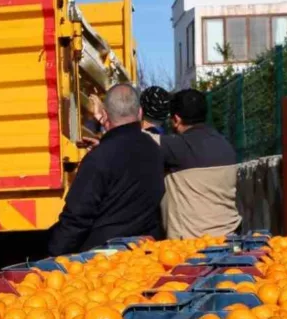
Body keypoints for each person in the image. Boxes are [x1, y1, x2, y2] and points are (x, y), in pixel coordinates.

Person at [46, 84, 165, 256]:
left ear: (105, 115)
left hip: (103, 261)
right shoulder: (155, 150)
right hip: (145, 254)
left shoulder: (98, 158)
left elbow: (78, 218)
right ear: (139, 113)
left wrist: (54, 252)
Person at [159, 88, 241, 240]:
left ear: (176, 119)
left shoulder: (176, 147)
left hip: (192, 246)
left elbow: (137, 139)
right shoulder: (225, 145)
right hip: (229, 238)